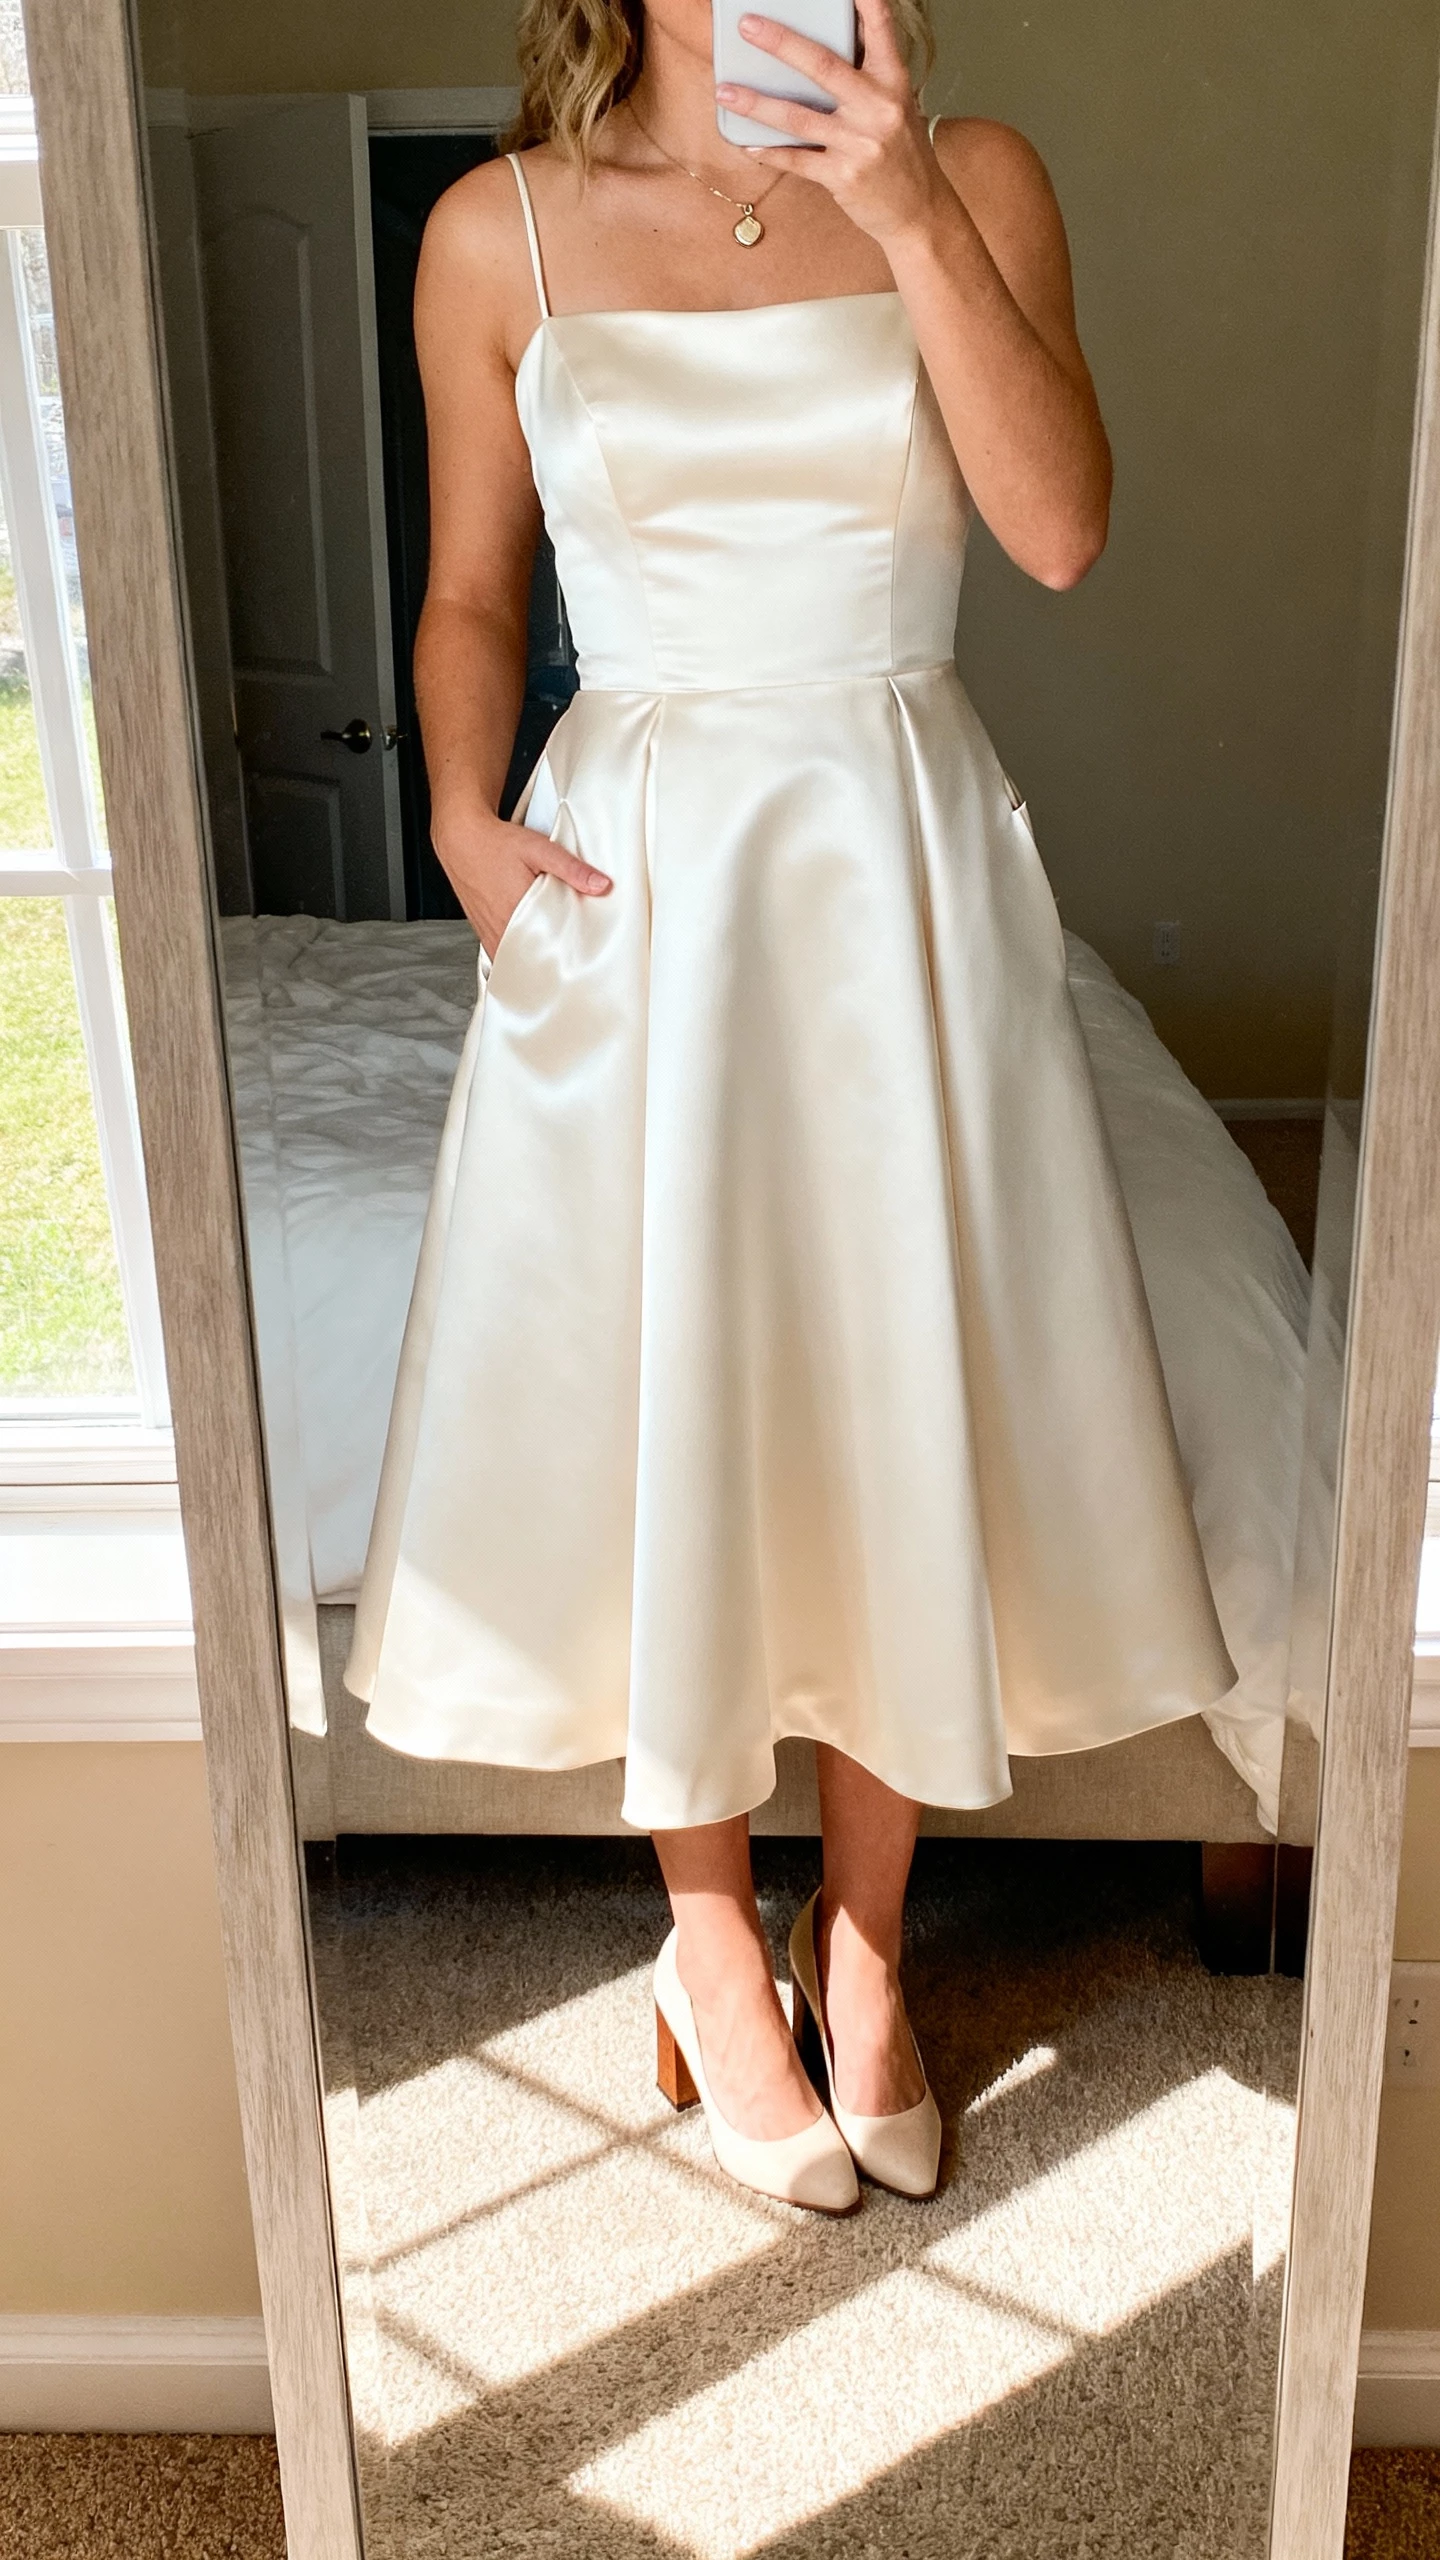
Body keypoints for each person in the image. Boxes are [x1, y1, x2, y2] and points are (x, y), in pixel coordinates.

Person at [346, 0, 1235, 2213]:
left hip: (892, 874)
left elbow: (1059, 530)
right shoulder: (498, 235)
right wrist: (462, 814)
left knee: (877, 1383)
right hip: (639, 884)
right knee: (686, 1391)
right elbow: (473, 597)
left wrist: (905, 189)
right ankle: (709, 1928)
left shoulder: (980, 176)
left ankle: (866, 1937)